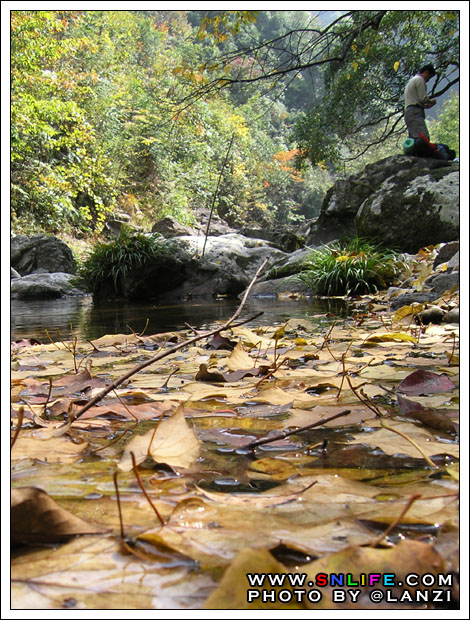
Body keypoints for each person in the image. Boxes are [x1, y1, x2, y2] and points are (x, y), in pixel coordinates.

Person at [404, 64, 437, 140]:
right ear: (426, 72)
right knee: (423, 138)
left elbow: (416, 100)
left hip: (409, 112)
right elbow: (423, 98)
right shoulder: (420, 79)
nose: (428, 80)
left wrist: (425, 106)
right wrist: (432, 102)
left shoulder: (412, 80)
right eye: (429, 77)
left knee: (414, 139)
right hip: (415, 112)